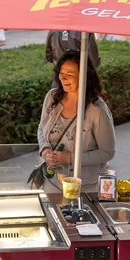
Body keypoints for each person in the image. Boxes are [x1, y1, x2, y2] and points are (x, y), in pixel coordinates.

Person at [37, 51, 116, 194]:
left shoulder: (97, 110)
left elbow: (107, 152)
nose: (63, 77)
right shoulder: (51, 97)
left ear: (84, 76)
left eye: (70, 74)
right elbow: (41, 128)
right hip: (51, 183)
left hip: (84, 188)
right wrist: (45, 150)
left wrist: (70, 158)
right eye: (61, 72)